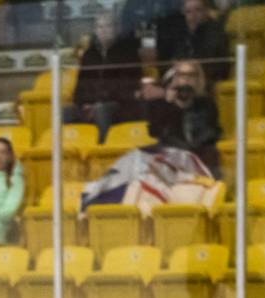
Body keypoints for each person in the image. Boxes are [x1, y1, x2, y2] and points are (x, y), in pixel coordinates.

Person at [66, 10, 144, 138]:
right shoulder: (89, 55)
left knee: (101, 110)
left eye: (108, 26)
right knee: (65, 112)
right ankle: (68, 153)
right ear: (95, 30)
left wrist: (99, 101)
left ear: (116, 29)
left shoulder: (128, 52)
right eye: (99, 27)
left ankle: (102, 149)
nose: (103, 30)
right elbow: (80, 87)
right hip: (90, 104)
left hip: (120, 106)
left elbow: (128, 86)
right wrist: (85, 104)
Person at [143, 58, 222, 174]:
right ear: (175, 78)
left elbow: (211, 132)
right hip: (171, 160)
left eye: (191, 74)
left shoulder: (207, 104)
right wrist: (170, 105)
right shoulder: (163, 105)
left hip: (200, 159)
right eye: (181, 74)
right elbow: (156, 131)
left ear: (198, 78)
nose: (186, 78)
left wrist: (191, 150)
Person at [154, 0, 229, 86]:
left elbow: (209, 64)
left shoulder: (215, 32)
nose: (193, 15)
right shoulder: (181, 32)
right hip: (181, 78)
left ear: (206, 11)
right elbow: (174, 58)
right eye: (188, 12)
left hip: (205, 81)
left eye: (198, 10)